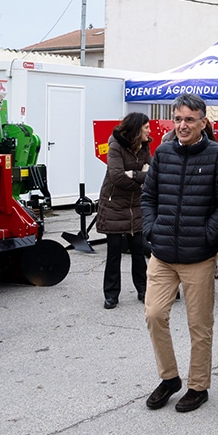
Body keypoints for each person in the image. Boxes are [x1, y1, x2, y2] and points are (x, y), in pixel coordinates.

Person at [140, 94, 218, 413]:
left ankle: (198, 385)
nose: (182, 125)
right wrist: (150, 228)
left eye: (189, 119)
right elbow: (148, 196)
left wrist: (208, 237)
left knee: (199, 324)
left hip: (199, 256)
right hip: (162, 253)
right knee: (154, 315)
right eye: (178, 119)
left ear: (203, 122)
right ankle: (169, 379)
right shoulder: (163, 152)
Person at [96, 112, 151, 309]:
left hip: (134, 205)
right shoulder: (115, 145)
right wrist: (140, 178)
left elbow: (151, 173)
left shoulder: (145, 146)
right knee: (114, 252)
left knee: (138, 249)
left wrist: (134, 175)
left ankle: (144, 290)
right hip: (114, 205)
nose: (149, 131)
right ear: (137, 129)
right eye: (146, 128)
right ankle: (111, 294)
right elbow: (117, 177)